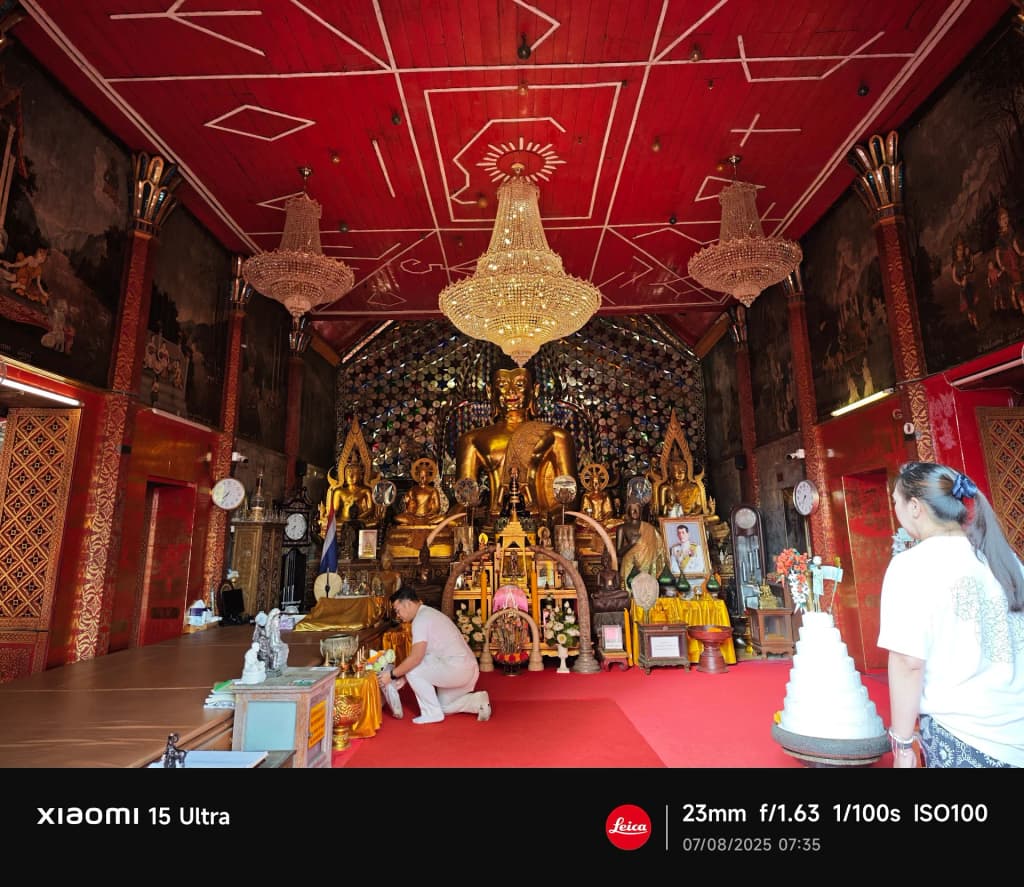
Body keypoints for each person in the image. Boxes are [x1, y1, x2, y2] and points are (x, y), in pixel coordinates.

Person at [877, 461, 1024, 768]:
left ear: (915, 507)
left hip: (964, 737)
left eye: (896, 502)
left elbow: (908, 662)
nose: (896, 511)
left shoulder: (911, 567)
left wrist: (903, 745)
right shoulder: (1003, 558)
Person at [455, 364, 578, 518]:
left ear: (535, 390)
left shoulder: (555, 436)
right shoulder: (472, 439)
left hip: (540, 523)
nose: (511, 391)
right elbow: (463, 502)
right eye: (502, 385)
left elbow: (570, 501)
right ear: (489, 391)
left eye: (520, 384)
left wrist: (548, 519)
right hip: (493, 525)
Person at [379, 587, 491, 724]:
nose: (398, 615)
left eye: (398, 610)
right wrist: (404, 677)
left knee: (413, 669)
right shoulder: (428, 613)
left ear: (407, 603)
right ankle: (478, 702)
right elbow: (427, 657)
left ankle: (431, 713)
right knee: (444, 707)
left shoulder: (420, 620)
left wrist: (391, 675)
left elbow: (416, 658)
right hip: (467, 669)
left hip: (457, 669)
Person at [615, 499, 667, 589]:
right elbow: (618, 553)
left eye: (637, 509)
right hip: (629, 565)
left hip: (647, 565)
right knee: (629, 589)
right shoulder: (622, 528)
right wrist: (631, 544)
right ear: (628, 511)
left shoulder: (649, 528)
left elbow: (659, 546)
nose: (635, 511)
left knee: (646, 591)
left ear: (641, 511)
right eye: (632, 509)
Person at [393, 458, 445, 525]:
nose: (422, 478)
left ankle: (423, 522)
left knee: (443, 518)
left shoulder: (433, 490)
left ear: (428, 477)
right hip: (414, 517)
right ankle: (414, 522)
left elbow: (437, 507)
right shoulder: (413, 489)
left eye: (424, 476)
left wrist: (430, 514)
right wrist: (406, 502)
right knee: (397, 518)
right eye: (421, 476)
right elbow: (409, 507)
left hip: (428, 517)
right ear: (418, 476)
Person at [327, 457, 375, 526]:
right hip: (343, 521)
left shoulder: (365, 491)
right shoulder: (339, 492)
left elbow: (370, 509)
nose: (351, 476)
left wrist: (358, 518)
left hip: (360, 521)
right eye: (348, 473)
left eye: (355, 473)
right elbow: (335, 510)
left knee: (373, 523)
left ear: (360, 476)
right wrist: (329, 517)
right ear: (344, 476)